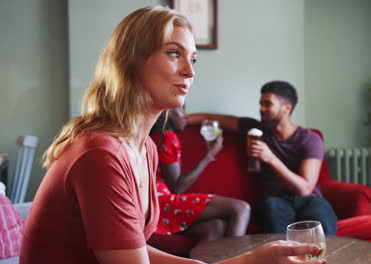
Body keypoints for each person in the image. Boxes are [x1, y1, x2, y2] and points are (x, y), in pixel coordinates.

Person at [20, 6, 326, 264]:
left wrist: (248, 259)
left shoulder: (144, 149)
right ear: (130, 62)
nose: (190, 72)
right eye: (173, 53)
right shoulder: (101, 152)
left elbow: (136, 252)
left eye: (192, 59)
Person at [188, 81, 338, 235]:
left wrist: (270, 158)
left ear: (287, 108)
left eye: (267, 104)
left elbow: (304, 189)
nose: (261, 109)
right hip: (276, 201)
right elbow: (210, 118)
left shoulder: (309, 139)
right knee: (271, 207)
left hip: (309, 201)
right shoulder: (257, 130)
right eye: (261, 104)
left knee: (321, 232)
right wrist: (181, 120)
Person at [150, 107, 250, 242]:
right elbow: (177, 187)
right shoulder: (167, 137)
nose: (186, 116)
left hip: (151, 206)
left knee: (215, 227)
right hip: (161, 204)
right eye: (182, 110)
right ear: (167, 112)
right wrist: (209, 155)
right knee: (241, 208)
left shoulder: (154, 136)